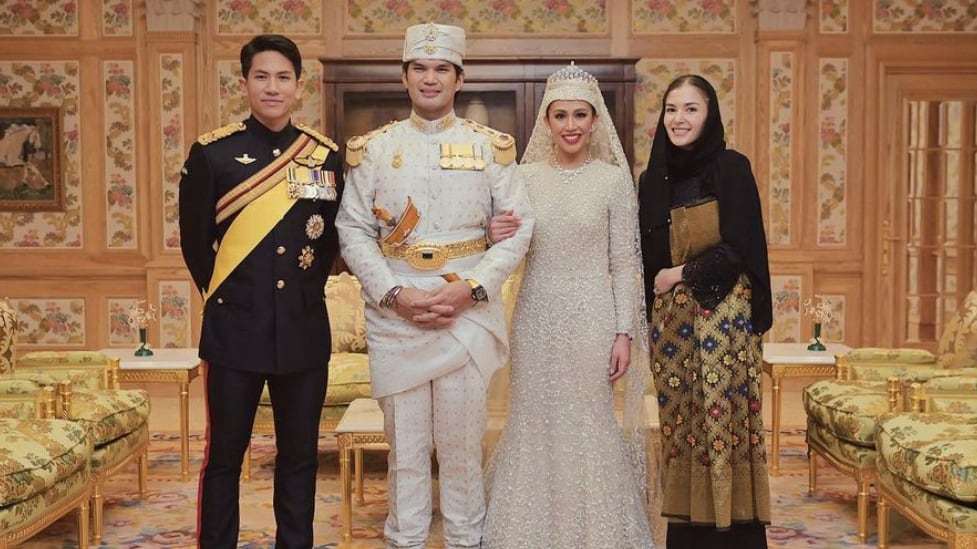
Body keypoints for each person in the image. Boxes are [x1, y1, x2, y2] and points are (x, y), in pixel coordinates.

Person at [335, 23, 533, 549]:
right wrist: (396, 295)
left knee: (462, 445)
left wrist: (472, 288)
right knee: (405, 448)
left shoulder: (490, 148)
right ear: (404, 77)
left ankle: (467, 538)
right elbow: (352, 229)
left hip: (464, 312)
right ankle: (406, 538)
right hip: (395, 315)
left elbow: (520, 228)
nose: (430, 78)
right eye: (419, 68)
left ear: (459, 78)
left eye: (441, 68)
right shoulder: (374, 150)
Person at [178, 34, 344, 548]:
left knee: (299, 458)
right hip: (235, 331)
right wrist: (235, 298)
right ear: (245, 83)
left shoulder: (325, 157)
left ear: (299, 86)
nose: (273, 87)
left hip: (302, 330)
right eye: (262, 77)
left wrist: (298, 295)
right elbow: (195, 244)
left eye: (283, 77)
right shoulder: (212, 154)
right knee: (225, 458)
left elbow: (331, 241)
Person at [480, 63, 655, 549]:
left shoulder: (613, 181)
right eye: (561, 115)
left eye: (580, 115)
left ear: (595, 119)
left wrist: (624, 333)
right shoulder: (523, 177)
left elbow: (624, 262)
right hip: (536, 315)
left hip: (592, 319)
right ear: (547, 121)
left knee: (590, 420)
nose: (571, 125)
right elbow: (507, 248)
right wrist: (492, 234)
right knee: (532, 419)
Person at [637, 74, 773, 548]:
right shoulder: (652, 180)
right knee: (682, 434)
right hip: (672, 331)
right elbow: (645, 261)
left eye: (691, 109)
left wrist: (679, 274)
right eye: (671, 109)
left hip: (724, 321)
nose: (679, 119)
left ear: (710, 113)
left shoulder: (731, 168)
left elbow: (740, 247)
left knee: (723, 429)